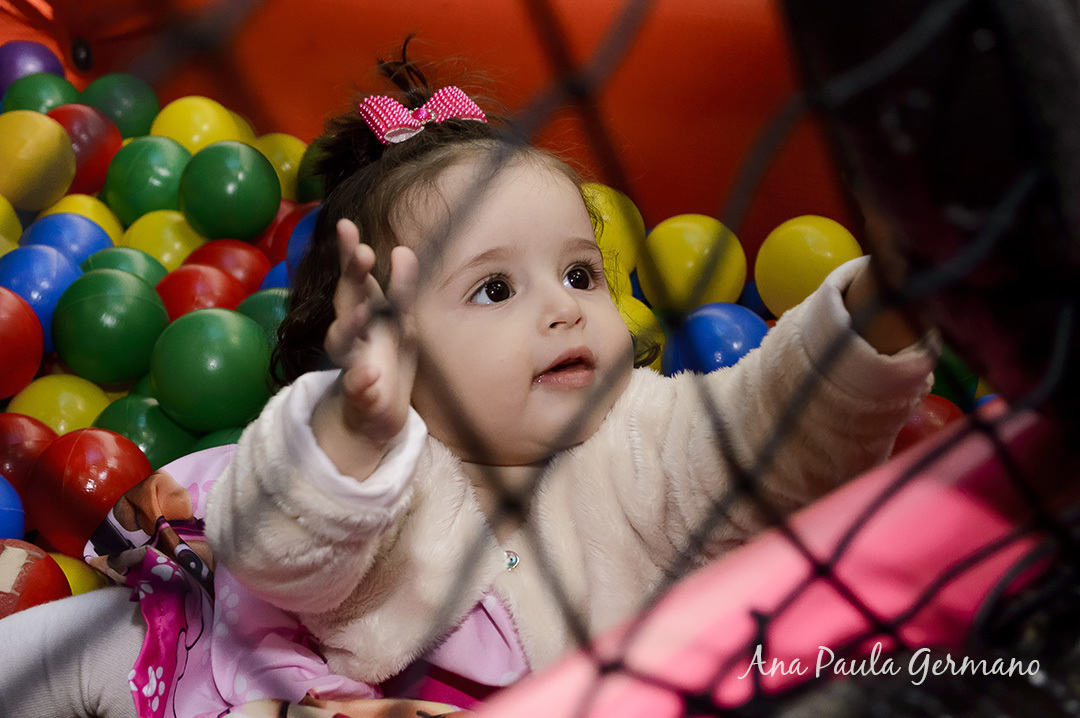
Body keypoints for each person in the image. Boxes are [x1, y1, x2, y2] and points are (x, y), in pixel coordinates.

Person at [0, 47, 937, 718]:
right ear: (388, 353)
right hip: (226, 651)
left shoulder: (639, 439)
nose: (565, 310)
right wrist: (356, 438)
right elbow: (281, 557)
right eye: (495, 288)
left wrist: (883, 307)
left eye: (582, 274)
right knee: (72, 650)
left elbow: (769, 430)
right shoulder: (376, 462)